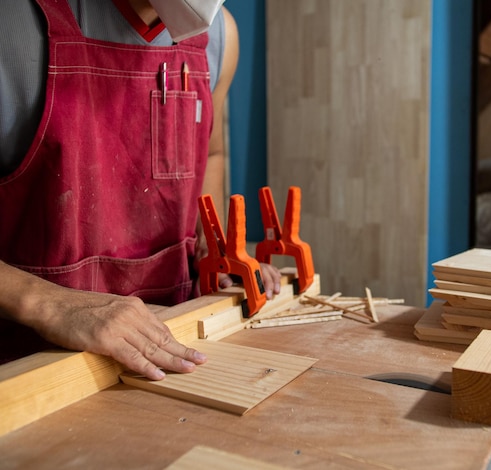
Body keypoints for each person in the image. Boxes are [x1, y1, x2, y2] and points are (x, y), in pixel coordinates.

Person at [0, 0, 281, 380]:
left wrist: (212, 249)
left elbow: (211, 151)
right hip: (29, 372)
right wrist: (47, 303)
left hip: (170, 355)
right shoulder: (12, 26)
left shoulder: (218, 36)